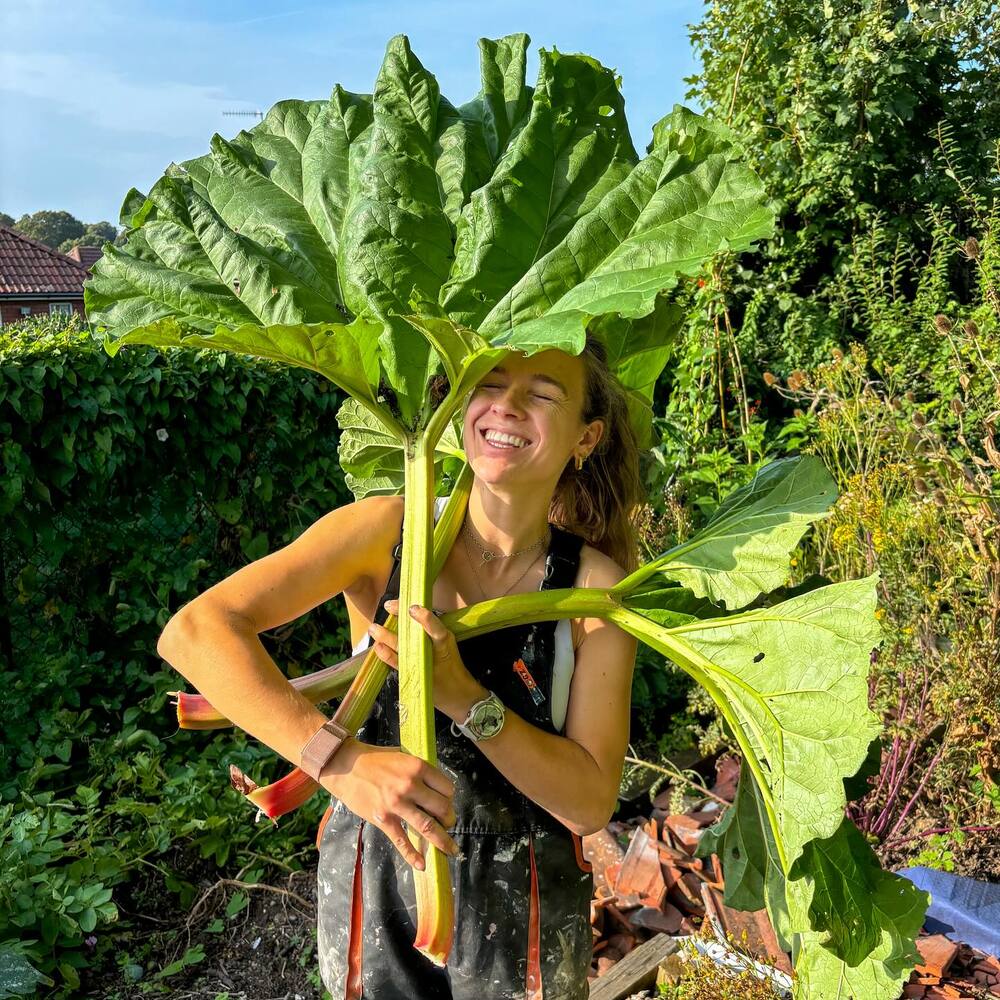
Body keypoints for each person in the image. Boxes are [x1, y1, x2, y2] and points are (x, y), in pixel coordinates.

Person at [156, 333, 642, 1000]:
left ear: (585, 439)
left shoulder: (593, 593)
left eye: (542, 395)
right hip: (373, 875)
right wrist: (343, 763)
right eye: (490, 384)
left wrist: (467, 698)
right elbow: (194, 634)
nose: (506, 407)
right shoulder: (386, 534)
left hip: (524, 896)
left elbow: (589, 803)